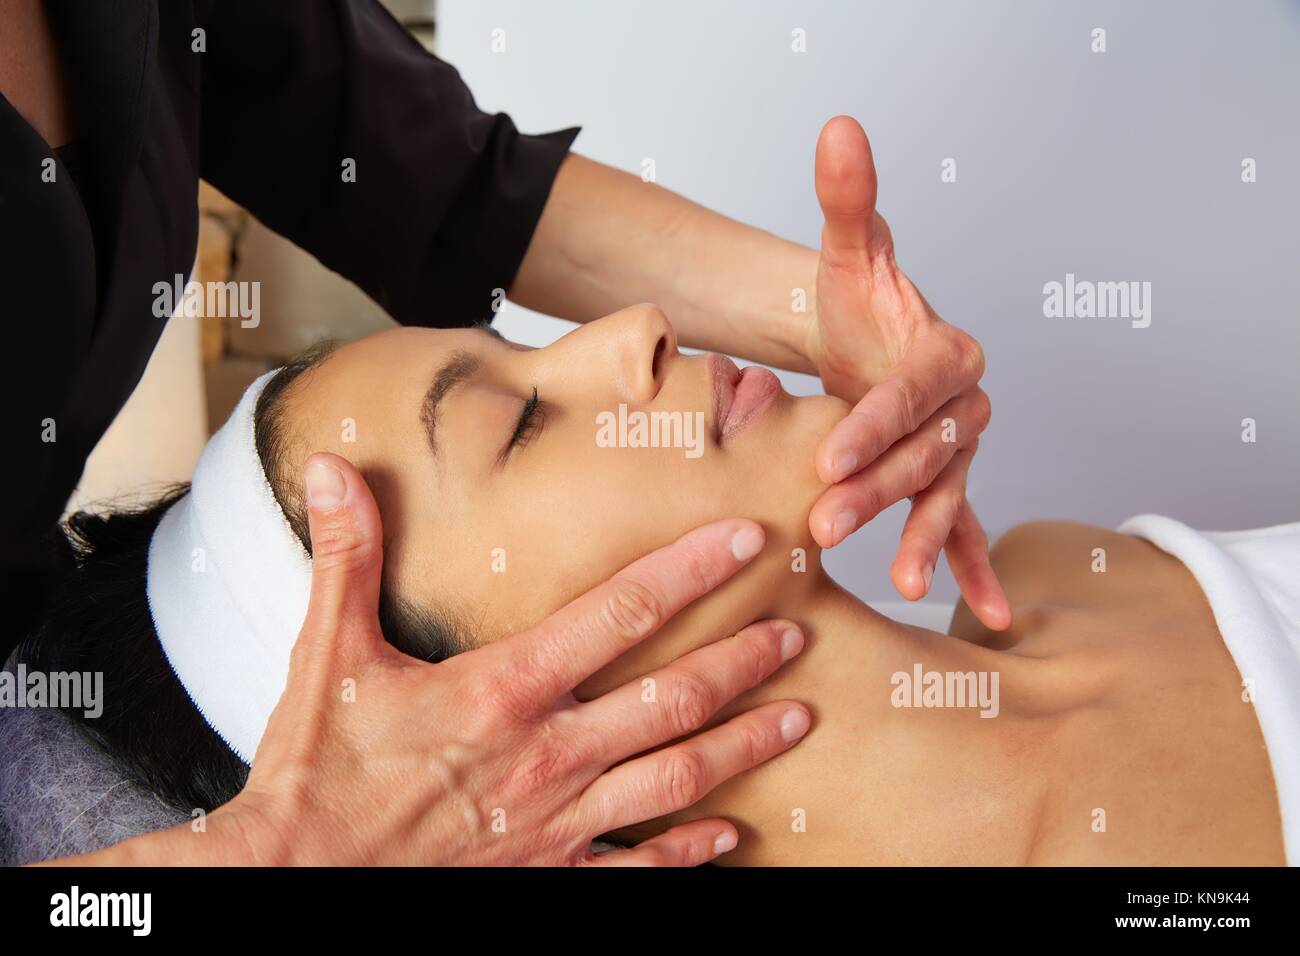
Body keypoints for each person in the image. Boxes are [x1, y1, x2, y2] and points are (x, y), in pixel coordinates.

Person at [1, 0, 1004, 864]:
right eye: (520, 423)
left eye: (518, 359)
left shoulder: (1093, 584)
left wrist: (819, 311)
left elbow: (433, 175)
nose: (643, 328)